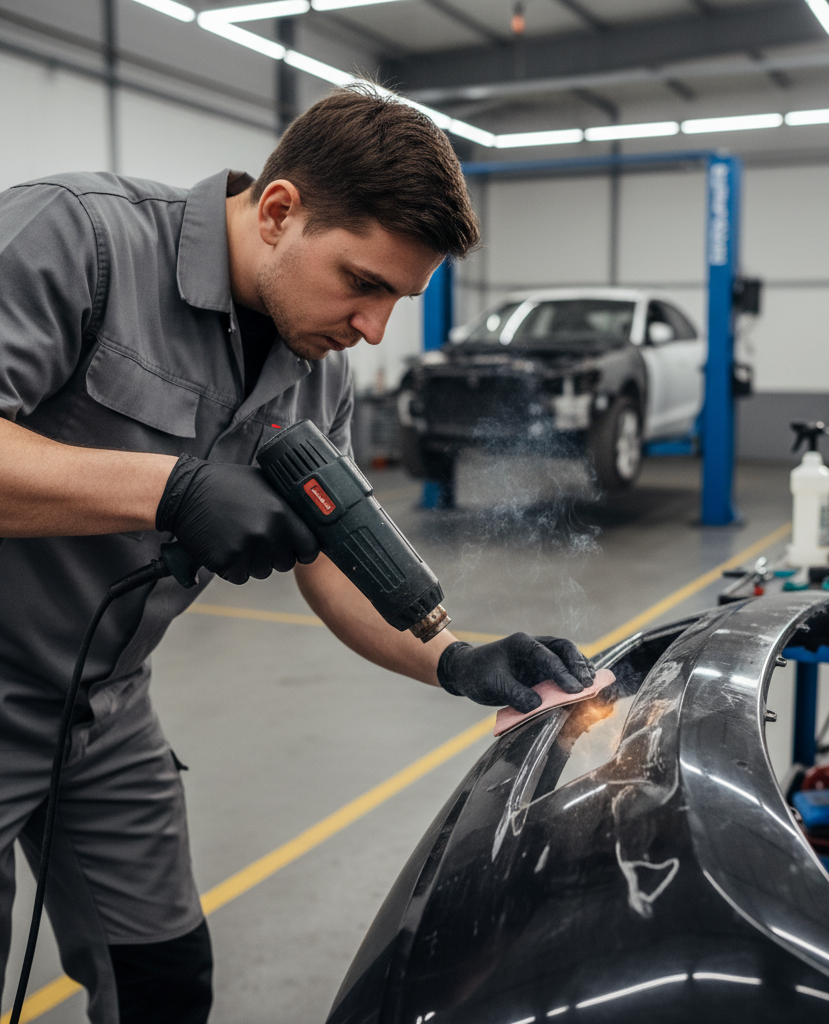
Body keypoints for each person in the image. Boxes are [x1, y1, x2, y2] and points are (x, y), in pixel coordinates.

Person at [0, 85, 593, 1024]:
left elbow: (329, 556)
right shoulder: (79, 241)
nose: (374, 328)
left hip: (103, 708)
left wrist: (455, 657)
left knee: (163, 981)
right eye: (363, 282)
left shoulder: (318, 371)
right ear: (278, 211)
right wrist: (171, 487)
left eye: (398, 298)